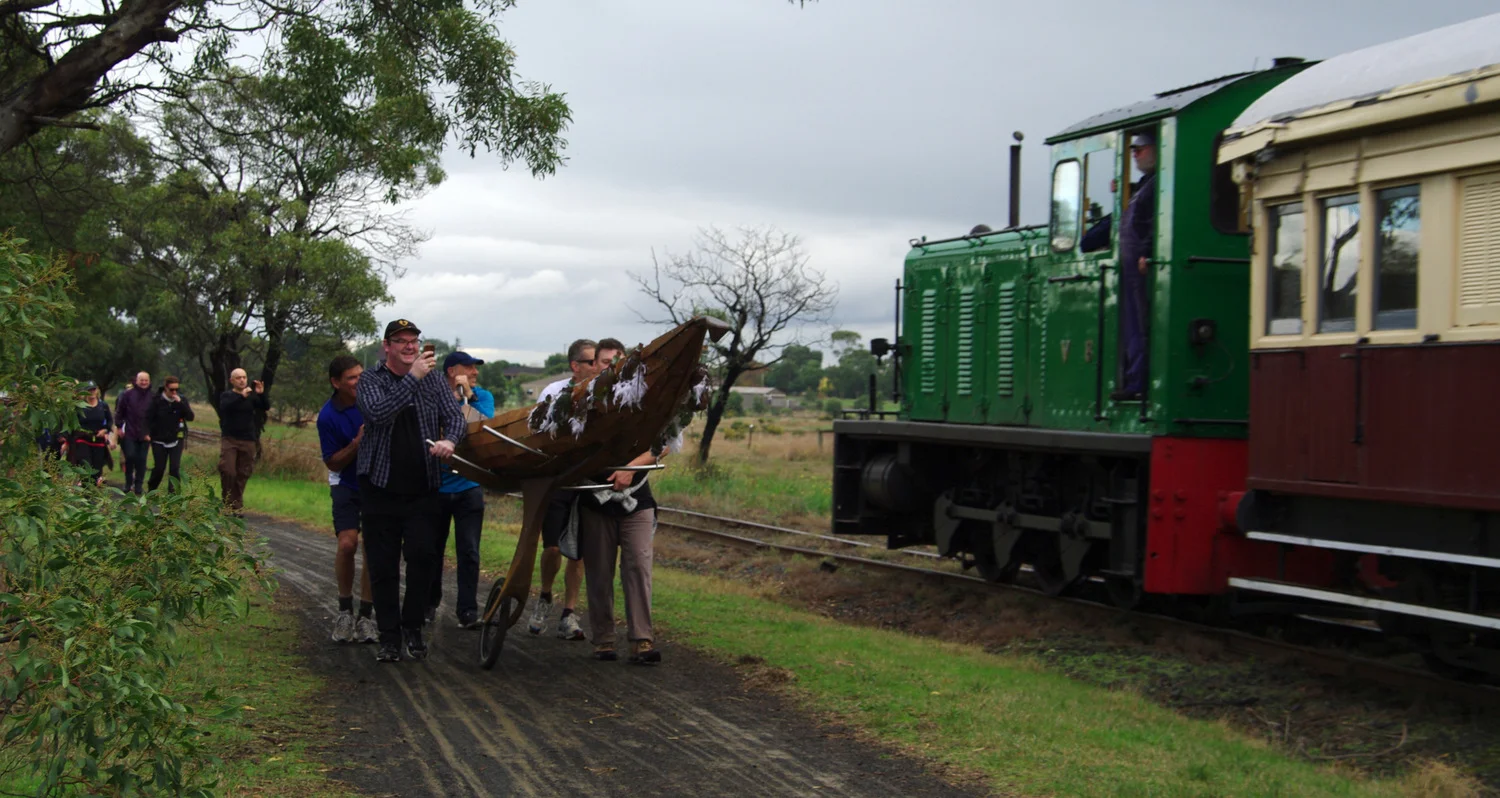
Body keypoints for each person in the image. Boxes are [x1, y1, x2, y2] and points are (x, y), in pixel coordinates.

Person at [357, 319, 466, 664]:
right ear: (386, 346)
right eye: (401, 341)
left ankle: (413, 628)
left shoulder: (433, 379)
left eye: (413, 341)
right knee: (383, 566)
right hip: (380, 487)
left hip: (423, 487)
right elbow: (378, 413)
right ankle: (389, 637)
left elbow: (456, 416)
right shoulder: (370, 380)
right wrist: (413, 377)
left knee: (423, 559)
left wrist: (450, 439)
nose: (409, 346)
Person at [530, 338, 600, 639]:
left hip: (588, 480)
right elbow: (537, 431)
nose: (597, 367)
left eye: (599, 361)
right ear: (575, 366)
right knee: (553, 547)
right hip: (558, 478)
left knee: (579, 553)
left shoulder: (606, 393)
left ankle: (569, 613)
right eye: (591, 362)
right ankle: (545, 595)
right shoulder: (553, 392)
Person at [1082, 131, 1157, 400]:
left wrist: (1146, 253)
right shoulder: (1143, 186)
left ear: (1157, 150)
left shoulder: (1158, 185)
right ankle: (1133, 378)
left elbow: (1155, 222)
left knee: (1139, 323)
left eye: (1141, 148)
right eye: (1133, 150)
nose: (1135, 153)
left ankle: (1138, 381)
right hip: (1129, 266)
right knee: (1131, 323)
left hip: (1141, 266)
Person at [579, 446, 664, 664]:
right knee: (599, 571)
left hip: (638, 500)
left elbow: (664, 443)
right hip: (595, 499)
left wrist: (631, 469)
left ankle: (641, 640)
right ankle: (603, 639)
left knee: (638, 565)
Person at [429, 350, 493, 630]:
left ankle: (467, 610)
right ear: (452, 370)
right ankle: (428, 604)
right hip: (436, 486)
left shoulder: (484, 397)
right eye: (469, 367)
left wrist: (468, 395)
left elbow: (482, 429)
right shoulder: (431, 396)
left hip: (469, 486)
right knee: (432, 550)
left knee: (469, 551)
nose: (475, 372)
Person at [319, 354, 379, 645]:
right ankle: (345, 611)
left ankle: (366, 616)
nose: (359, 381)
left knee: (372, 545)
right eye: (351, 378)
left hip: (375, 481)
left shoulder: (373, 402)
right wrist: (357, 443)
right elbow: (332, 463)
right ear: (336, 382)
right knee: (347, 543)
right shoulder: (328, 416)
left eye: (360, 375)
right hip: (344, 481)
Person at [218, 368, 269, 513]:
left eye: (244, 377)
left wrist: (261, 394)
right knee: (228, 470)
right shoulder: (227, 396)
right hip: (230, 439)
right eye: (238, 378)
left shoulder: (252, 396)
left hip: (248, 439)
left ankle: (236, 505)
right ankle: (227, 501)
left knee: (243, 473)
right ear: (232, 381)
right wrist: (241, 396)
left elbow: (265, 407)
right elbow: (225, 408)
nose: (242, 380)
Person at [146, 376, 195, 492]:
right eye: (171, 390)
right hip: (158, 439)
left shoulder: (181, 400)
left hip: (176, 438)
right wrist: (147, 433)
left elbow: (190, 417)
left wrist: (181, 403)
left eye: (176, 389)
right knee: (159, 468)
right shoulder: (156, 400)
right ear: (165, 388)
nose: (174, 392)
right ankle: (151, 490)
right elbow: (148, 418)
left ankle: (173, 495)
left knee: (174, 468)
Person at [67, 381, 115, 487]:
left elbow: (109, 421)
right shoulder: (79, 406)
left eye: (93, 389)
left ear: (97, 390)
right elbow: (73, 423)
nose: (91, 392)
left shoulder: (103, 406)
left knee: (96, 469)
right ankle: (85, 492)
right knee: (85, 465)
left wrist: (105, 430)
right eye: (89, 390)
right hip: (83, 440)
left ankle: (91, 494)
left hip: (98, 441)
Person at [114, 371, 152, 495]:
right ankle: (128, 482)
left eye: (146, 380)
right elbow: (119, 411)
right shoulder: (127, 395)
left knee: (142, 460)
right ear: (136, 381)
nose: (144, 382)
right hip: (129, 432)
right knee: (130, 457)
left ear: (149, 381)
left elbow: (156, 417)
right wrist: (119, 427)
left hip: (145, 434)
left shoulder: (153, 396)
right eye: (141, 380)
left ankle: (139, 485)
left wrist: (151, 433)